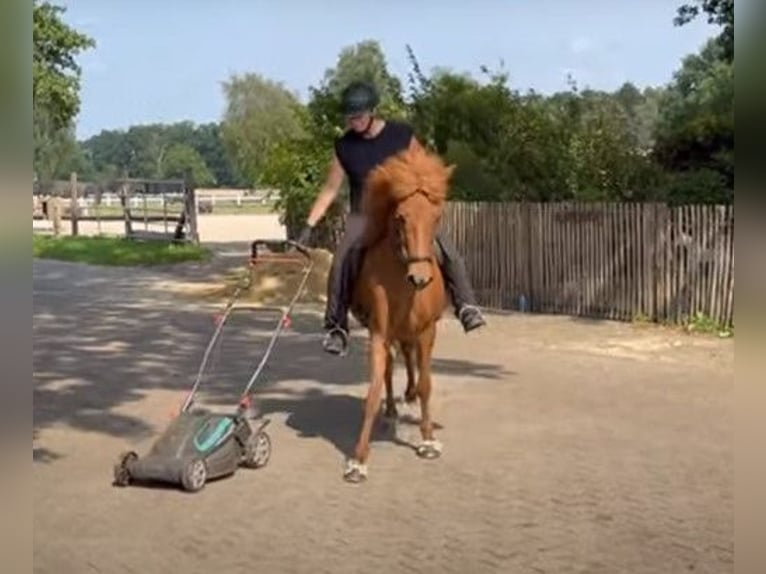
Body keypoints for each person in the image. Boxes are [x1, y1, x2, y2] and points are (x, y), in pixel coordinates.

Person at [296, 80, 486, 355]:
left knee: (446, 248)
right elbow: (329, 190)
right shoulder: (344, 147)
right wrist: (309, 225)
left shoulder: (401, 136)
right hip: (365, 216)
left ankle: (467, 305)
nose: (354, 121)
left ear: (372, 111)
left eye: (358, 116)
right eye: (349, 117)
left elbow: (425, 170)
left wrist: (424, 203)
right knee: (341, 261)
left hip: (404, 212)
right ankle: (336, 327)